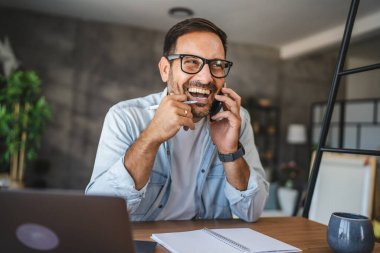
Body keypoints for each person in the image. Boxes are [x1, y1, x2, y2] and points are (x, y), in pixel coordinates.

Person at [86, 18, 268, 222]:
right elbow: (100, 213)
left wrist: (230, 152)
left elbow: (252, 212)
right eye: (191, 62)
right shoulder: (125, 117)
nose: (207, 78)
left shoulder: (236, 119)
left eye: (217, 65)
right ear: (165, 70)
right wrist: (151, 137)